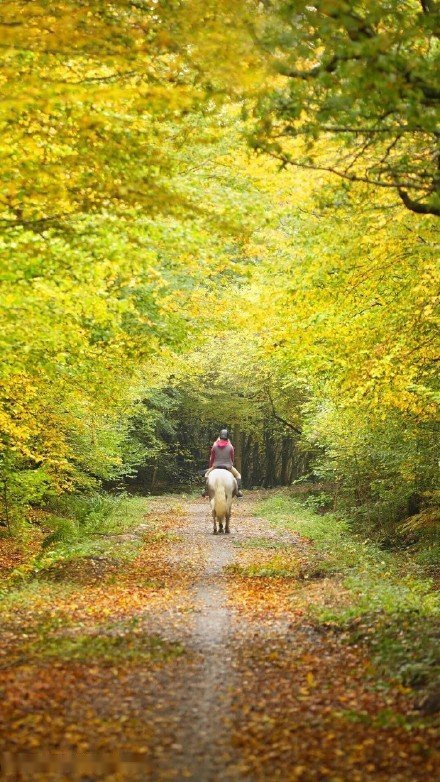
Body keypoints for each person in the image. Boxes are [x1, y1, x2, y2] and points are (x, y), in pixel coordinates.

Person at [203, 428, 243, 497]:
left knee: (206, 474)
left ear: (220, 436)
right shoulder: (230, 447)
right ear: (227, 436)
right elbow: (232, 458)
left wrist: (211, 466)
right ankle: (238, 491)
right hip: (228, 466)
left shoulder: (214, 446)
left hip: (216, 466)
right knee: (238, 475)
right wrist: (230, 464)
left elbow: (212, 458)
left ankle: (206, 490)